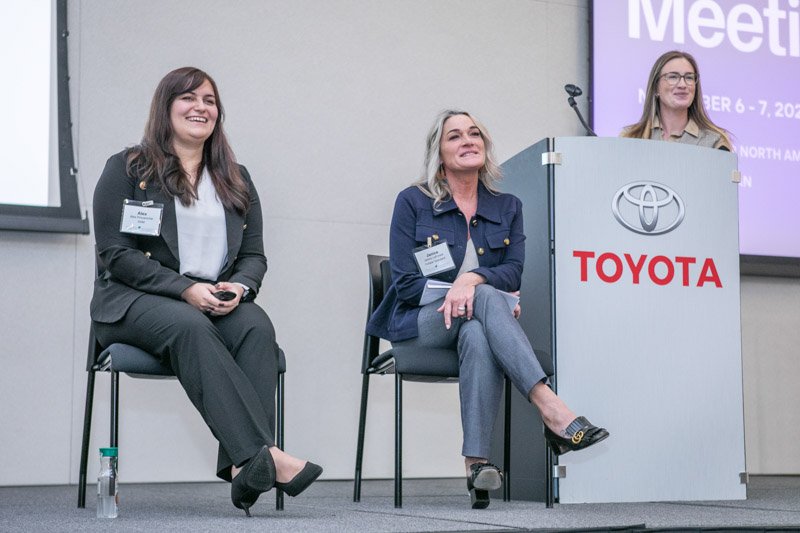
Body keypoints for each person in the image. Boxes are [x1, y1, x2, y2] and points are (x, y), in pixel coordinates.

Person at [91, 67, 322, 517]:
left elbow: (254, 256)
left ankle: (244, 466)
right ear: (166, 106)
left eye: (209, 100)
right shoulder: (128, 168)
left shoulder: (236, 178)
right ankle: (265, 456)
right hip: (134, 300)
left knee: (256, 326)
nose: (200, 107)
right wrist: (184, 290)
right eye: (188, 98)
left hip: (210, 298)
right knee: (189, 325)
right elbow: (115, 253)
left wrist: (240, 286)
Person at [367, 110, 609, 509]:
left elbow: (513, 272)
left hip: (476, 326)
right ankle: (550, 406)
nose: (467, 140)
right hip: (422, 324)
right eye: (454, 136)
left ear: (485, 145)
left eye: (474, 133)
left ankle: (477, 465)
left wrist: (471, 279)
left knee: (478, 331)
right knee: (484, 297)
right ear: (439, 153)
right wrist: (467, 290)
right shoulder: (413, 201)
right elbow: (406, 284)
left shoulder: (507, 206)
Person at [622, 50, 732, 150]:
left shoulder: (715, 142)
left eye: (689, 77)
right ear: (656, 87)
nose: (682, 85)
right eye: (673, 77)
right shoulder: (631, 137)